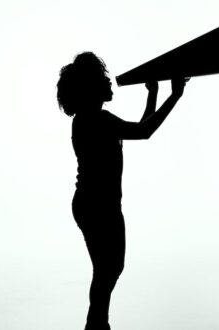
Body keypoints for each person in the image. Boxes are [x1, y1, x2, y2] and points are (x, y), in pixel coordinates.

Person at [56, 52, 186, 330]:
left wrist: (154, 93)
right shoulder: (97, 120)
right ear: (91, 88)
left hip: (91, 204)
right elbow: (144, 131)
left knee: (107, 269)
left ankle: (97, 323)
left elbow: (139, 128)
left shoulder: (88, 118)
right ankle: (97, 324)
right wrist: (175, 95)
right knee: (108, 269)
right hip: (99, 205)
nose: (109, 84)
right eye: (102, 80)